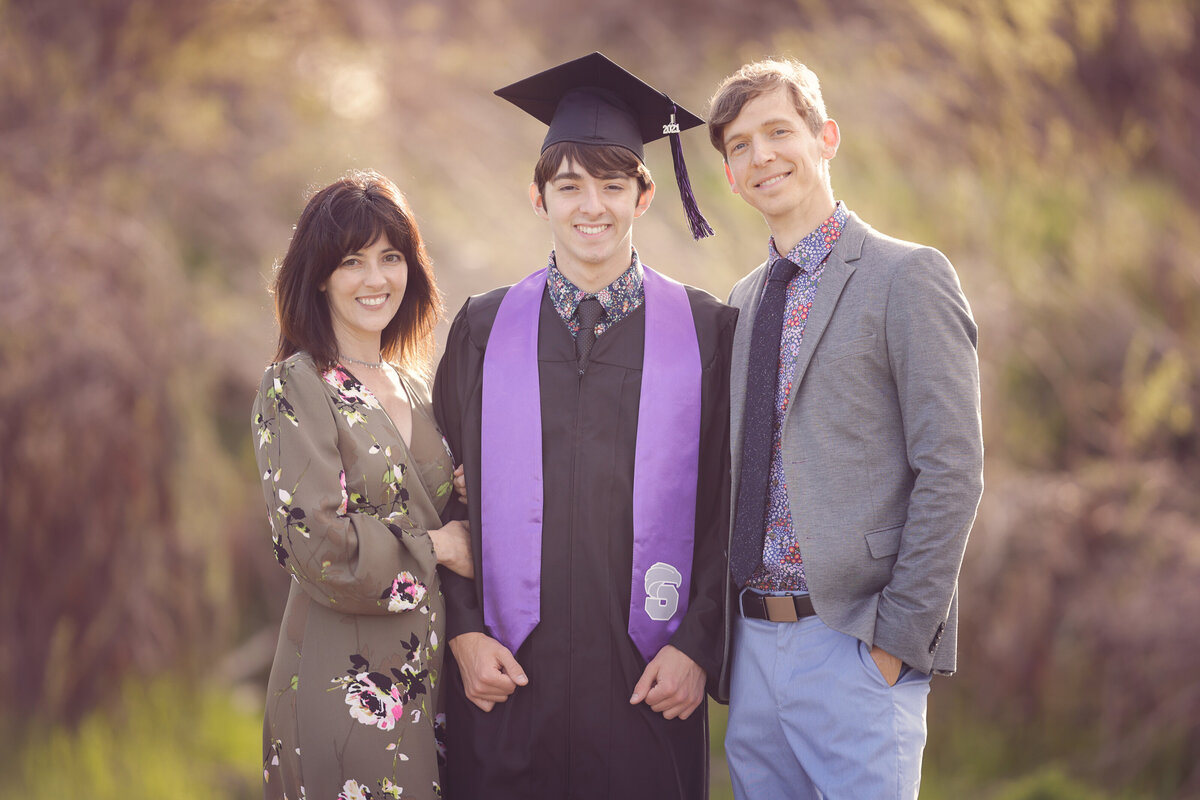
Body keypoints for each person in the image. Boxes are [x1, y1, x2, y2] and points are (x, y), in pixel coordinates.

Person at [432, 52, 737, 800]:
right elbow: (438, 494)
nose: (590, 206)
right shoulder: (482, 327)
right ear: (539, 198)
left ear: (645, 194)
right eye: (568, 186)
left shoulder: (706, 333)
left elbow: (734, 505)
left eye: (611, 184)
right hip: (507, 685)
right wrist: (463, 633)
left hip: (647, 683)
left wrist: (698, 646)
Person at [708, 58, 985, 799]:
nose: (762, 155)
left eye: (778, 131)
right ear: (730, 177)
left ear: (825, 137)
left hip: (855, 643)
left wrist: (896, 641)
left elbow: (952, 469)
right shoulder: (741, 301)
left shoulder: (907, 276)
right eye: (740, 145)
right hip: (755, 649)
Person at [250, 170, 473, 800]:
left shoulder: (416, 387)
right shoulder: (296, 386)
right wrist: (438, 547)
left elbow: (438, 502)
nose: (376, 279)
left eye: (391, 257)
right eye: (352, 260)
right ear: (319, 274)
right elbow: (317, 545)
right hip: (346, 689)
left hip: (435, 680)